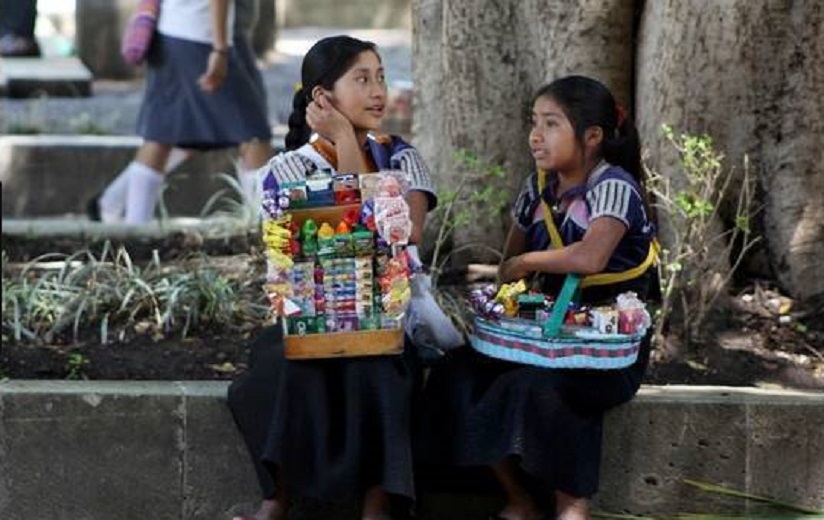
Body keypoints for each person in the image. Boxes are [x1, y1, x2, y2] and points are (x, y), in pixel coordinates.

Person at [418, 75, 657, 520]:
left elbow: (589, 257)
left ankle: (571, 505)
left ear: (592, 136)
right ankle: (519, 499)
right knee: (458, 373)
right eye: (534, 122)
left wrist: (528, 263)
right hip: (541, 336)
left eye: (551, 123)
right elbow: (510, 261)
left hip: (606, 351)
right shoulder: (538, 189)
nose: (535, 135)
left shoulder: (615, 187)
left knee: (541, 388)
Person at [228, 35, 437, 520]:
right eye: (362, 79)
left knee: (380, 368)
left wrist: (346, 142)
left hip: (387, 315)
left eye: (381, 76)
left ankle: (376, 507)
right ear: (322, 97)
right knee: (284, 366)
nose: (378, 91)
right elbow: (291, 259)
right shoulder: (285, 170)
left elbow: (394, 237)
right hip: (312, 314)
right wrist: (344, 147)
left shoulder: (404, 158)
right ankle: (276, 501)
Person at [89, 0, 272, 224]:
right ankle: (268, 235)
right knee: (252, 135)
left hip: (179, 31)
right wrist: (220, 49)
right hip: (204, 34)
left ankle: (124, 219)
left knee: (170, 133)